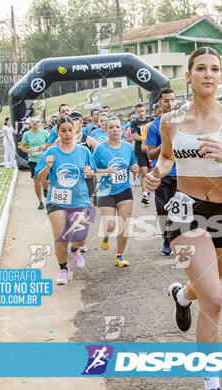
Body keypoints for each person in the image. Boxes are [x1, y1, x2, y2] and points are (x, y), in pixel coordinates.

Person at [145, 47, 222, 390]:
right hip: (184, 211)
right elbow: (167, 158)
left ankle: (181, 296)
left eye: (215, 69)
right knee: (213, 299)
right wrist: (154, 176)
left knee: (203, 289)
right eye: (201, 68)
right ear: (188, 76)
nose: (209, 74)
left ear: (220, 76)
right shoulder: (170, 121)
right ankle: (212, 387)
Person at [35, 116, 95, 285]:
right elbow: (39, 179)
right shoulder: (50, 152)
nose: (67, 134)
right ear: (57, 132)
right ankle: (63, 269)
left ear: (74, 131)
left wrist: (90, 173)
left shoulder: (83, 151)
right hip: (57, 200)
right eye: (63, 130)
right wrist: (47, 166)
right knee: (60, 237)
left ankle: (75, 249)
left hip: (79, 199)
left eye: (70, 130)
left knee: (80, 237)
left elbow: (91, 171)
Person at [93, 117, 139, 267]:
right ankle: (106, 234)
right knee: (111, 225)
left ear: (121, 129)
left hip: (124, 189)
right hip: (105, 190)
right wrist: (105, 171)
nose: (115, 130)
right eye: (111, 127)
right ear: (106, 131)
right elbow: (92, 170)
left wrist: (135, 169)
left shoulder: (127, 147)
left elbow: (132, 164)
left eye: (117, 127)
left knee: (124, 224)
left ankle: (119, 256)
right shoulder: (100, 149)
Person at [145, 88, 178, 256]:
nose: (170, 104)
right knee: (164, 209)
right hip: (162, 174)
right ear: (160, 103)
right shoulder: (154, 126)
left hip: (181, 174)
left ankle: (179, 239)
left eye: (173, 100)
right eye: (166, 101)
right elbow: (149, 153)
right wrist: (165, 143)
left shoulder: (184, 122)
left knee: (181, 209)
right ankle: (166, 239)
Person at [21, 118, 50, 210]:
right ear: (30, 123)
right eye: (33, 122)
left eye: (37, 122)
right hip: (33, 159)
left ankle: (46, 189)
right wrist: (28, 150)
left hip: (44, 159)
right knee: (36, 181)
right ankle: (41, 202)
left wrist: (44, 146)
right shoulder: (26, 134)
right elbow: (23, 146)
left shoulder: (45, 133)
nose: (35, 123)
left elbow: (51, 144)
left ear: (40, 123)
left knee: (45, 181)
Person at [130, 103, 154, 204]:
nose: (141, 113)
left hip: (151, 148)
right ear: (136, 112)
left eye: (143, 111)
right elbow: (135, 136)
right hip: (140, 149)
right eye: (139, 112)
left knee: (150, 172)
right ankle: (145, 194)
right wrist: (146, 139)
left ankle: (149, 191)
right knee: (143, 172)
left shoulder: (150, 120)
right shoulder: (134, 122)